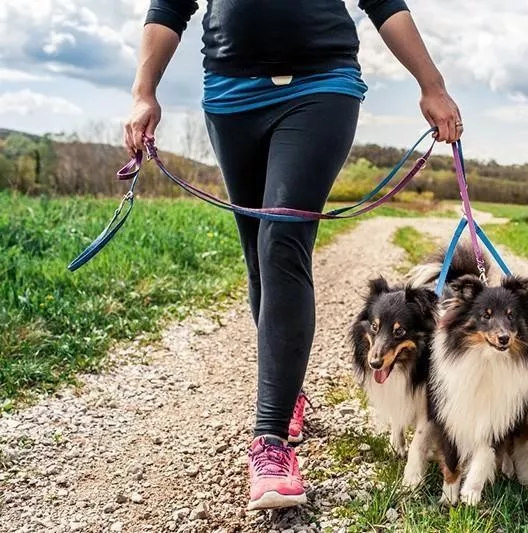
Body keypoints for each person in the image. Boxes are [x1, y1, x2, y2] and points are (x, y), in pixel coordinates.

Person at [124, 0, 463, 511]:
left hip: (321, 86)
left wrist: (431, 85)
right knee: (258, 253)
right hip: (231, 93)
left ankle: (270, 441)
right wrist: (143, 91)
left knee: (281, 238)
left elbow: (384, 3)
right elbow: (169, 6)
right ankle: (286, 393)